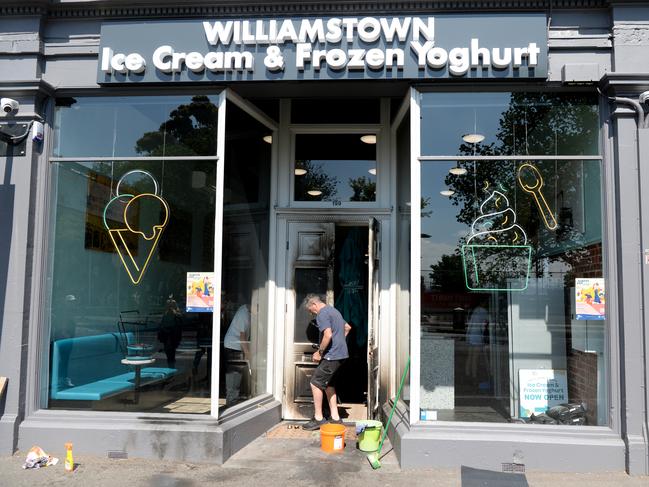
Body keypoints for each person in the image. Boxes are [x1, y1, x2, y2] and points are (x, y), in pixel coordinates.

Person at [302, 294, 352, 430]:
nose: (312, 313)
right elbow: (347, 328)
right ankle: (335, 418)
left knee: (315, 383)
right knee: (329, 385)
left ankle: (318, 418)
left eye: (311, 310)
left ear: (314, 305)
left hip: (331, 356)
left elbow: (328, 334)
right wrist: (339, 341)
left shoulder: (322, 314)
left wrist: (320, 352)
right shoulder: (334, 311)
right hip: (341, 355)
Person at [223, 301, 251, 406]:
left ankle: (234, 400)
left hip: (238, 346)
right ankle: (231, 403)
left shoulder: (248, 310)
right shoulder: (243, 314)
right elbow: (242, 337)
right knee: (234, 376)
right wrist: (248, 353)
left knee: (238, 375)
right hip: (232, 346)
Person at [465, 297, 490, 381]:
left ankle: (467, 374)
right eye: (486, 303)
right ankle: (474, 377)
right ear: (483, 303)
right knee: (475, 358)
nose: (486, 304)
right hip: (478, 336)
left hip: (472, 335)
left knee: (470, 357)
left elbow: (470, 324)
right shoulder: (484, 311)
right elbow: (489, 321)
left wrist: (467, 336)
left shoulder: (475, 310)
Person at [158, 297, 182, 368]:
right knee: (170, 353)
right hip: (171, 337)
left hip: (170, 336)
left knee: (170, 353)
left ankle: (171, 366)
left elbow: (163, 325)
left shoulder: (169, 314)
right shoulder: (173, 314)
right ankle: (171, 366)